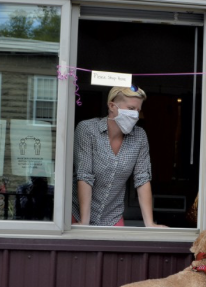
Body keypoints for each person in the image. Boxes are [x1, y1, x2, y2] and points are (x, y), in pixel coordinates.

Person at [71, 86, 167, 227]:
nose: (135, 114)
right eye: (131, 108)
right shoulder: (87, 129)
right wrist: (84, 222)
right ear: (112, 106)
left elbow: (142, 179)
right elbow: (85, 175)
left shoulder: (139, 136)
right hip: (77, 214)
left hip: (112, 217)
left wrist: (150, 224)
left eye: (138, 110)